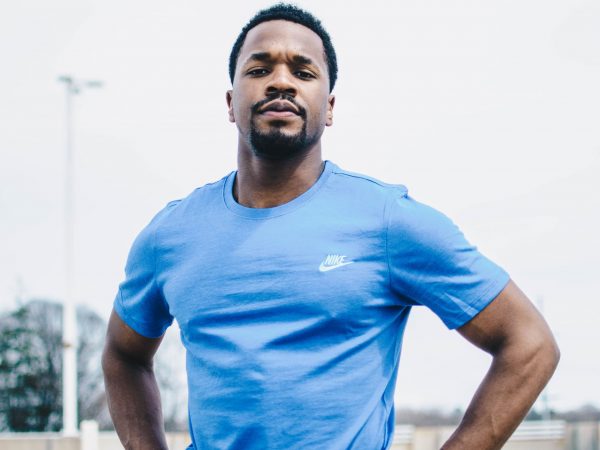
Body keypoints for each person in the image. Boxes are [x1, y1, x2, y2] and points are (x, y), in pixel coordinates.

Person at [102, 4, 560, 449]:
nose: (281, 81)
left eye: (303, 72)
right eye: (259, 69)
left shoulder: (387, 221)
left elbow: (530, 343)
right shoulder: (170, 237)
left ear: (330, 107)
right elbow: (124, 355)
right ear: (230, 102)